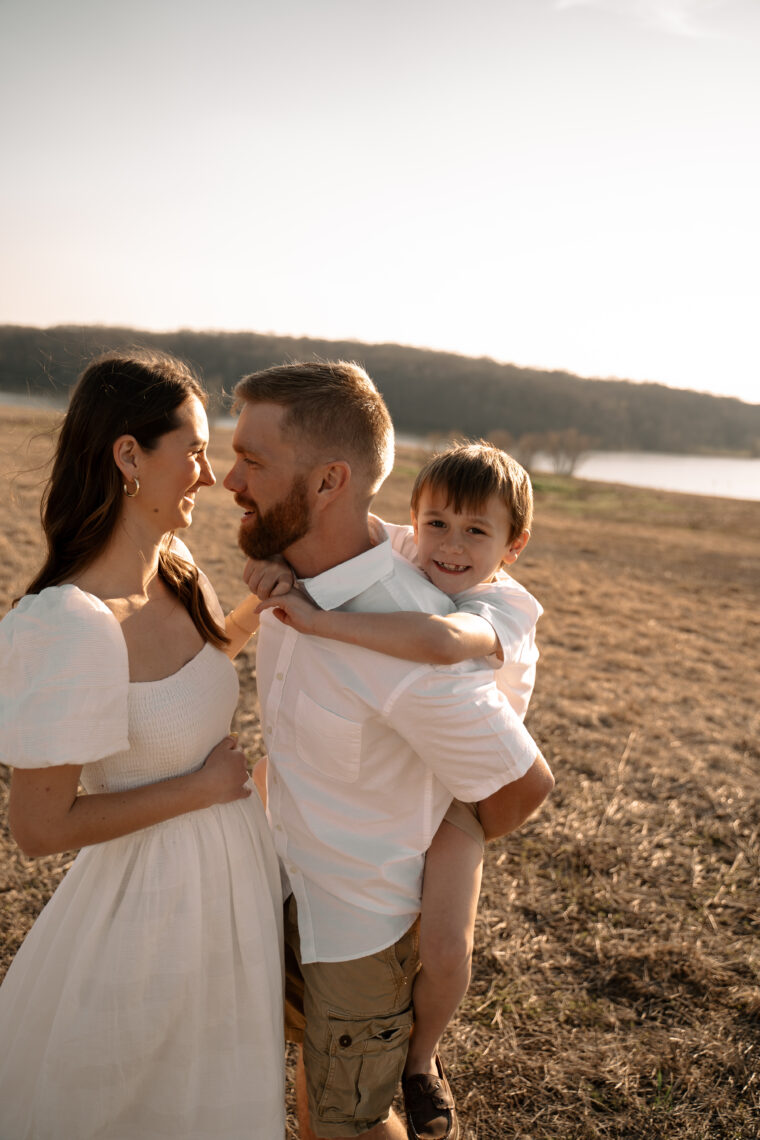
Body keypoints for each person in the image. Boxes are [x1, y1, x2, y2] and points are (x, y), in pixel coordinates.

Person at [222, 360, 554, 1140]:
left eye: (253, 461)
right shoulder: (291, 578)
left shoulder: (413, 647)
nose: (227, 478)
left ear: (329, 481)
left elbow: (521, 786)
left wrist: (433, 839)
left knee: (348, 1127)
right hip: (282, 884)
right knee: (311, 1101)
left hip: (362, 928)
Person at [0, 350, 286, 1139]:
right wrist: (199, 789)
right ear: (129, 454)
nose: (208, 476)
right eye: (193, 450)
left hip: (232, 881)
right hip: (149, 910)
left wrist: (253, 617)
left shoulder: (177, 568)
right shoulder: (68, 625)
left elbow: (177, 683)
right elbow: (38, 828)